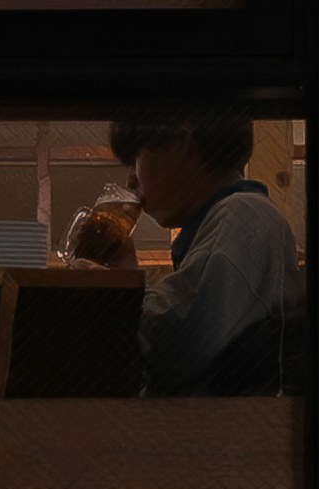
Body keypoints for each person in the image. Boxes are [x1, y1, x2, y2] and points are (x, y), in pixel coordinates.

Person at [104, 112, 297, 396]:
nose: (131, 178)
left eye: (136, 157)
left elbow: (177, 341)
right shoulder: (226, 220)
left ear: (181, 142)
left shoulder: (243, 215)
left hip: (228, 433)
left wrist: (118, 292)